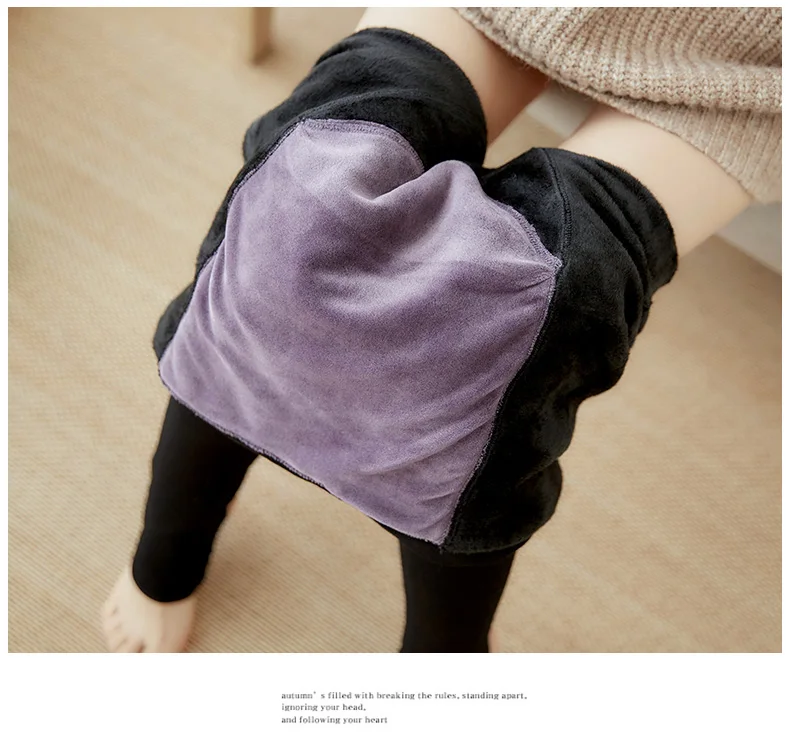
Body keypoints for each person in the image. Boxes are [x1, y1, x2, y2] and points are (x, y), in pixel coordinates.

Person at [101, 7, 778, 653]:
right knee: (297, 223)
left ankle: (445, 647)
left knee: (529, 313)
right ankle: (172, 541)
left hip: (735, 54)